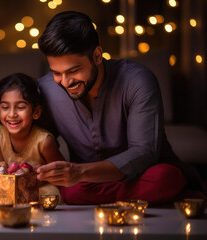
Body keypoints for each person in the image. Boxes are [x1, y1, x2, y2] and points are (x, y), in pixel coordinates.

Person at [36, 11, 189, 205]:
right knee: (73, 190)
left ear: (97, 55)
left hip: (143, 176)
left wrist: (79, 172)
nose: (65, 82)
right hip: (86, 183)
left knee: (165, 178)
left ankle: (102, 199)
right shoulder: (46, 89)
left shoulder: (137, 80)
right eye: (56, 73)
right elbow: (38, 140)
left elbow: (144, 152)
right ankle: (136, 199)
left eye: (73, 70)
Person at [0, 73, 65, 197]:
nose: (12, 114)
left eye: (20, 107)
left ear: (36, 112)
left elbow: (62, 176)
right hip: (9, 190)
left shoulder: (44, 141)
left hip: (40, 190)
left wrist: (40, 175)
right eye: (5, 107)